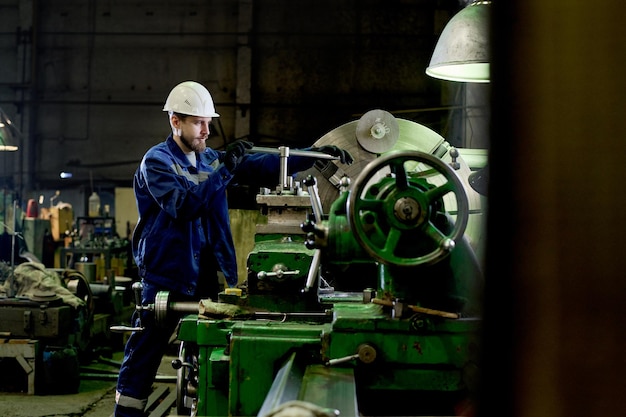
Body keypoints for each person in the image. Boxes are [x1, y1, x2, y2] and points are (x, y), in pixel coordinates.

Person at [114, 80, 353, 417]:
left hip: (206, 276)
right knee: (145, 354)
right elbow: (183, 206)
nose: (206, 131)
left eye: (208, 123)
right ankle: (126, 413)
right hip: (166, 275)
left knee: (206, 351)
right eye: (199, 123)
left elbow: (267, 165)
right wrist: (227, 167)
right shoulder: (157, 163)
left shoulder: (209, 158)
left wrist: (316, 154)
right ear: (175, 121)